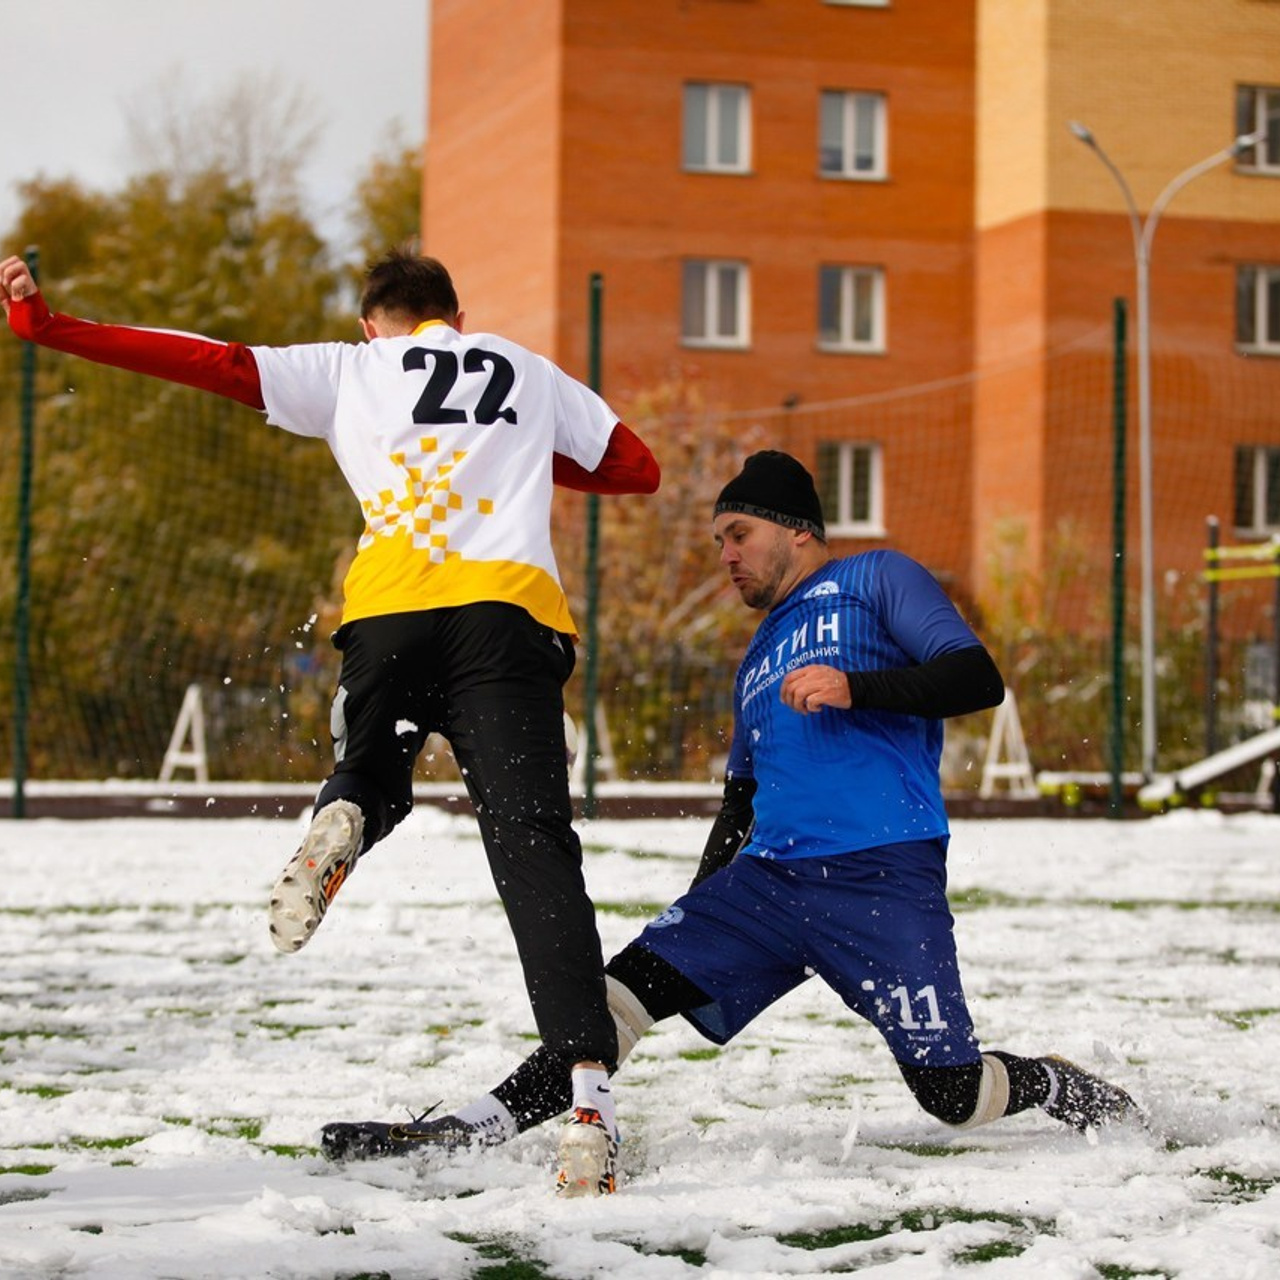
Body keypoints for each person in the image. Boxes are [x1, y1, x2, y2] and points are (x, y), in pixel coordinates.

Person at [320, 450, 1139, 1197]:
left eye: (738, 533)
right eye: (720, 540)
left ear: (799, 532)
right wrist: (699, 909)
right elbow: (739, 802)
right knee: (608, 1001)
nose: (726, 556)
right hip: (766, 885)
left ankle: (1055, 1083)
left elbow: (976, 678)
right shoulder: (756, 657)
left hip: (883, 878)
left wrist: (860, 688)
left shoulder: (881, 578)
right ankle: (468, 1129)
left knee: (953, 1097)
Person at [0, 248, 661, 1172]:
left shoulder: (348, 370)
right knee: (533, 847)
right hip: (507, 621)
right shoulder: (527, 369)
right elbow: (636, 467)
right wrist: (514, 449)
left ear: (370, 323)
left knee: (370, 771)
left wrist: (48, 327)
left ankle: (342, 813)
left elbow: (211, 360)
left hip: (389, 613)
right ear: (457, 319)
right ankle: (590, 1108)